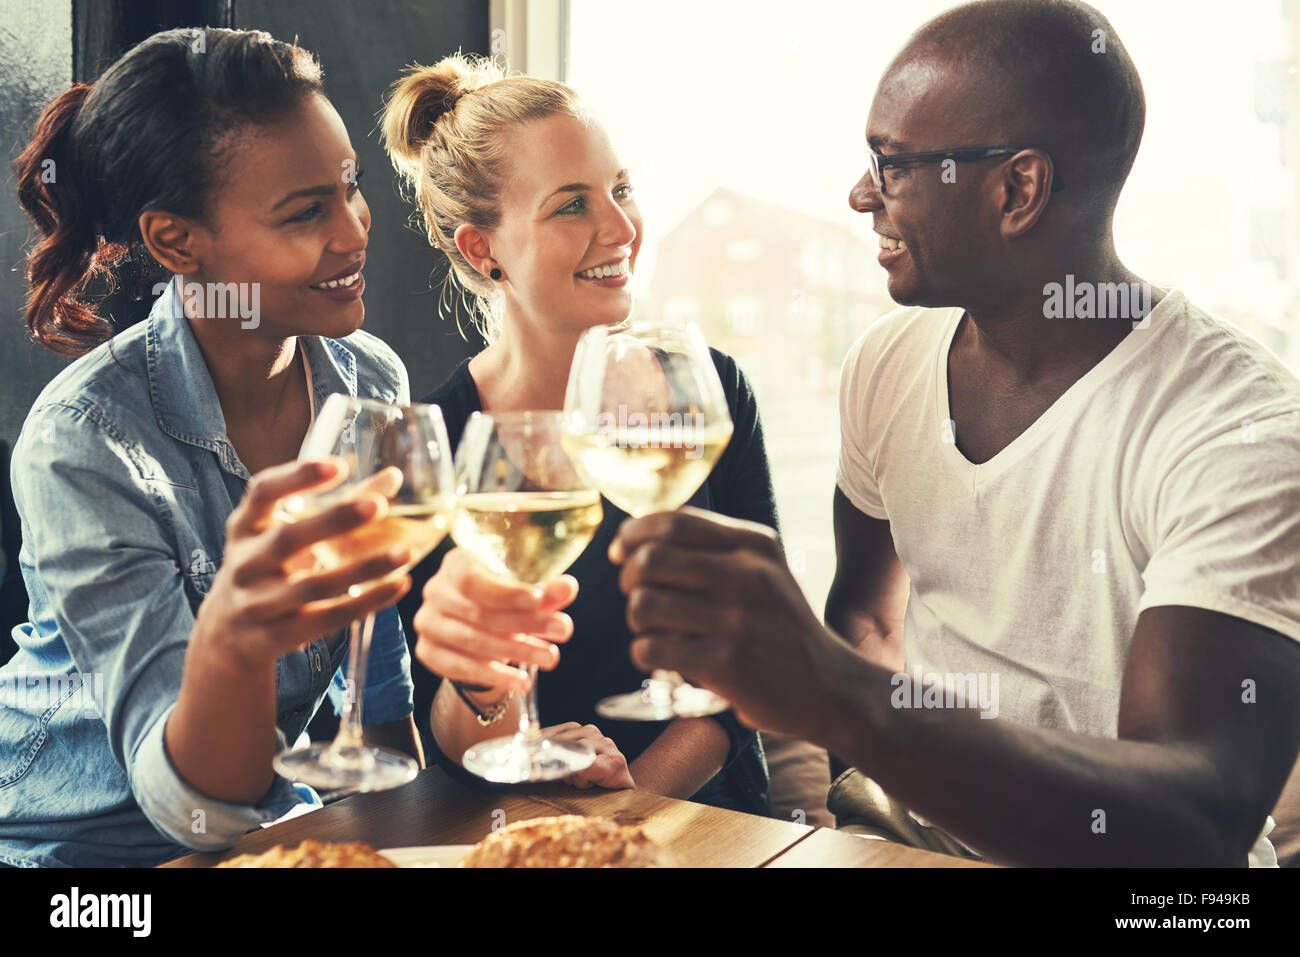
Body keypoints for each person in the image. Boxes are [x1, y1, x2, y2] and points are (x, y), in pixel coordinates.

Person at [608, 0, 1300, 866]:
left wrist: (836, 692)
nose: (862, 195)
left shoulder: (1237, 427)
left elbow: (1197, 820)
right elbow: (865, 612)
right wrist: (853, 811)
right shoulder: (887, 362)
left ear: (1017, 190)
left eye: (892, 165)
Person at [0, 28, 422, 867]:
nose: (353, 232)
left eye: (350, 187)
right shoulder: (83, 440)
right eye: (306, 211)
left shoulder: (370, 379)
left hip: (268, 829)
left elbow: (375, 651)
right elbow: (182, 809)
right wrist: (238, 639)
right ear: (176, 242)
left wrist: (413, 814)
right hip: (73, 852)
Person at [382, 54, 776, 814]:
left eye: (621, 190)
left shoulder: (705, 393)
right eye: (571, 206)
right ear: (481, 249)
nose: (622, 228)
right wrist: (486, 686)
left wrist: (630, 799)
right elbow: (448, 722)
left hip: (713, 826)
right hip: (525, 830)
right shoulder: (437, 441)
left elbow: (754, 669)